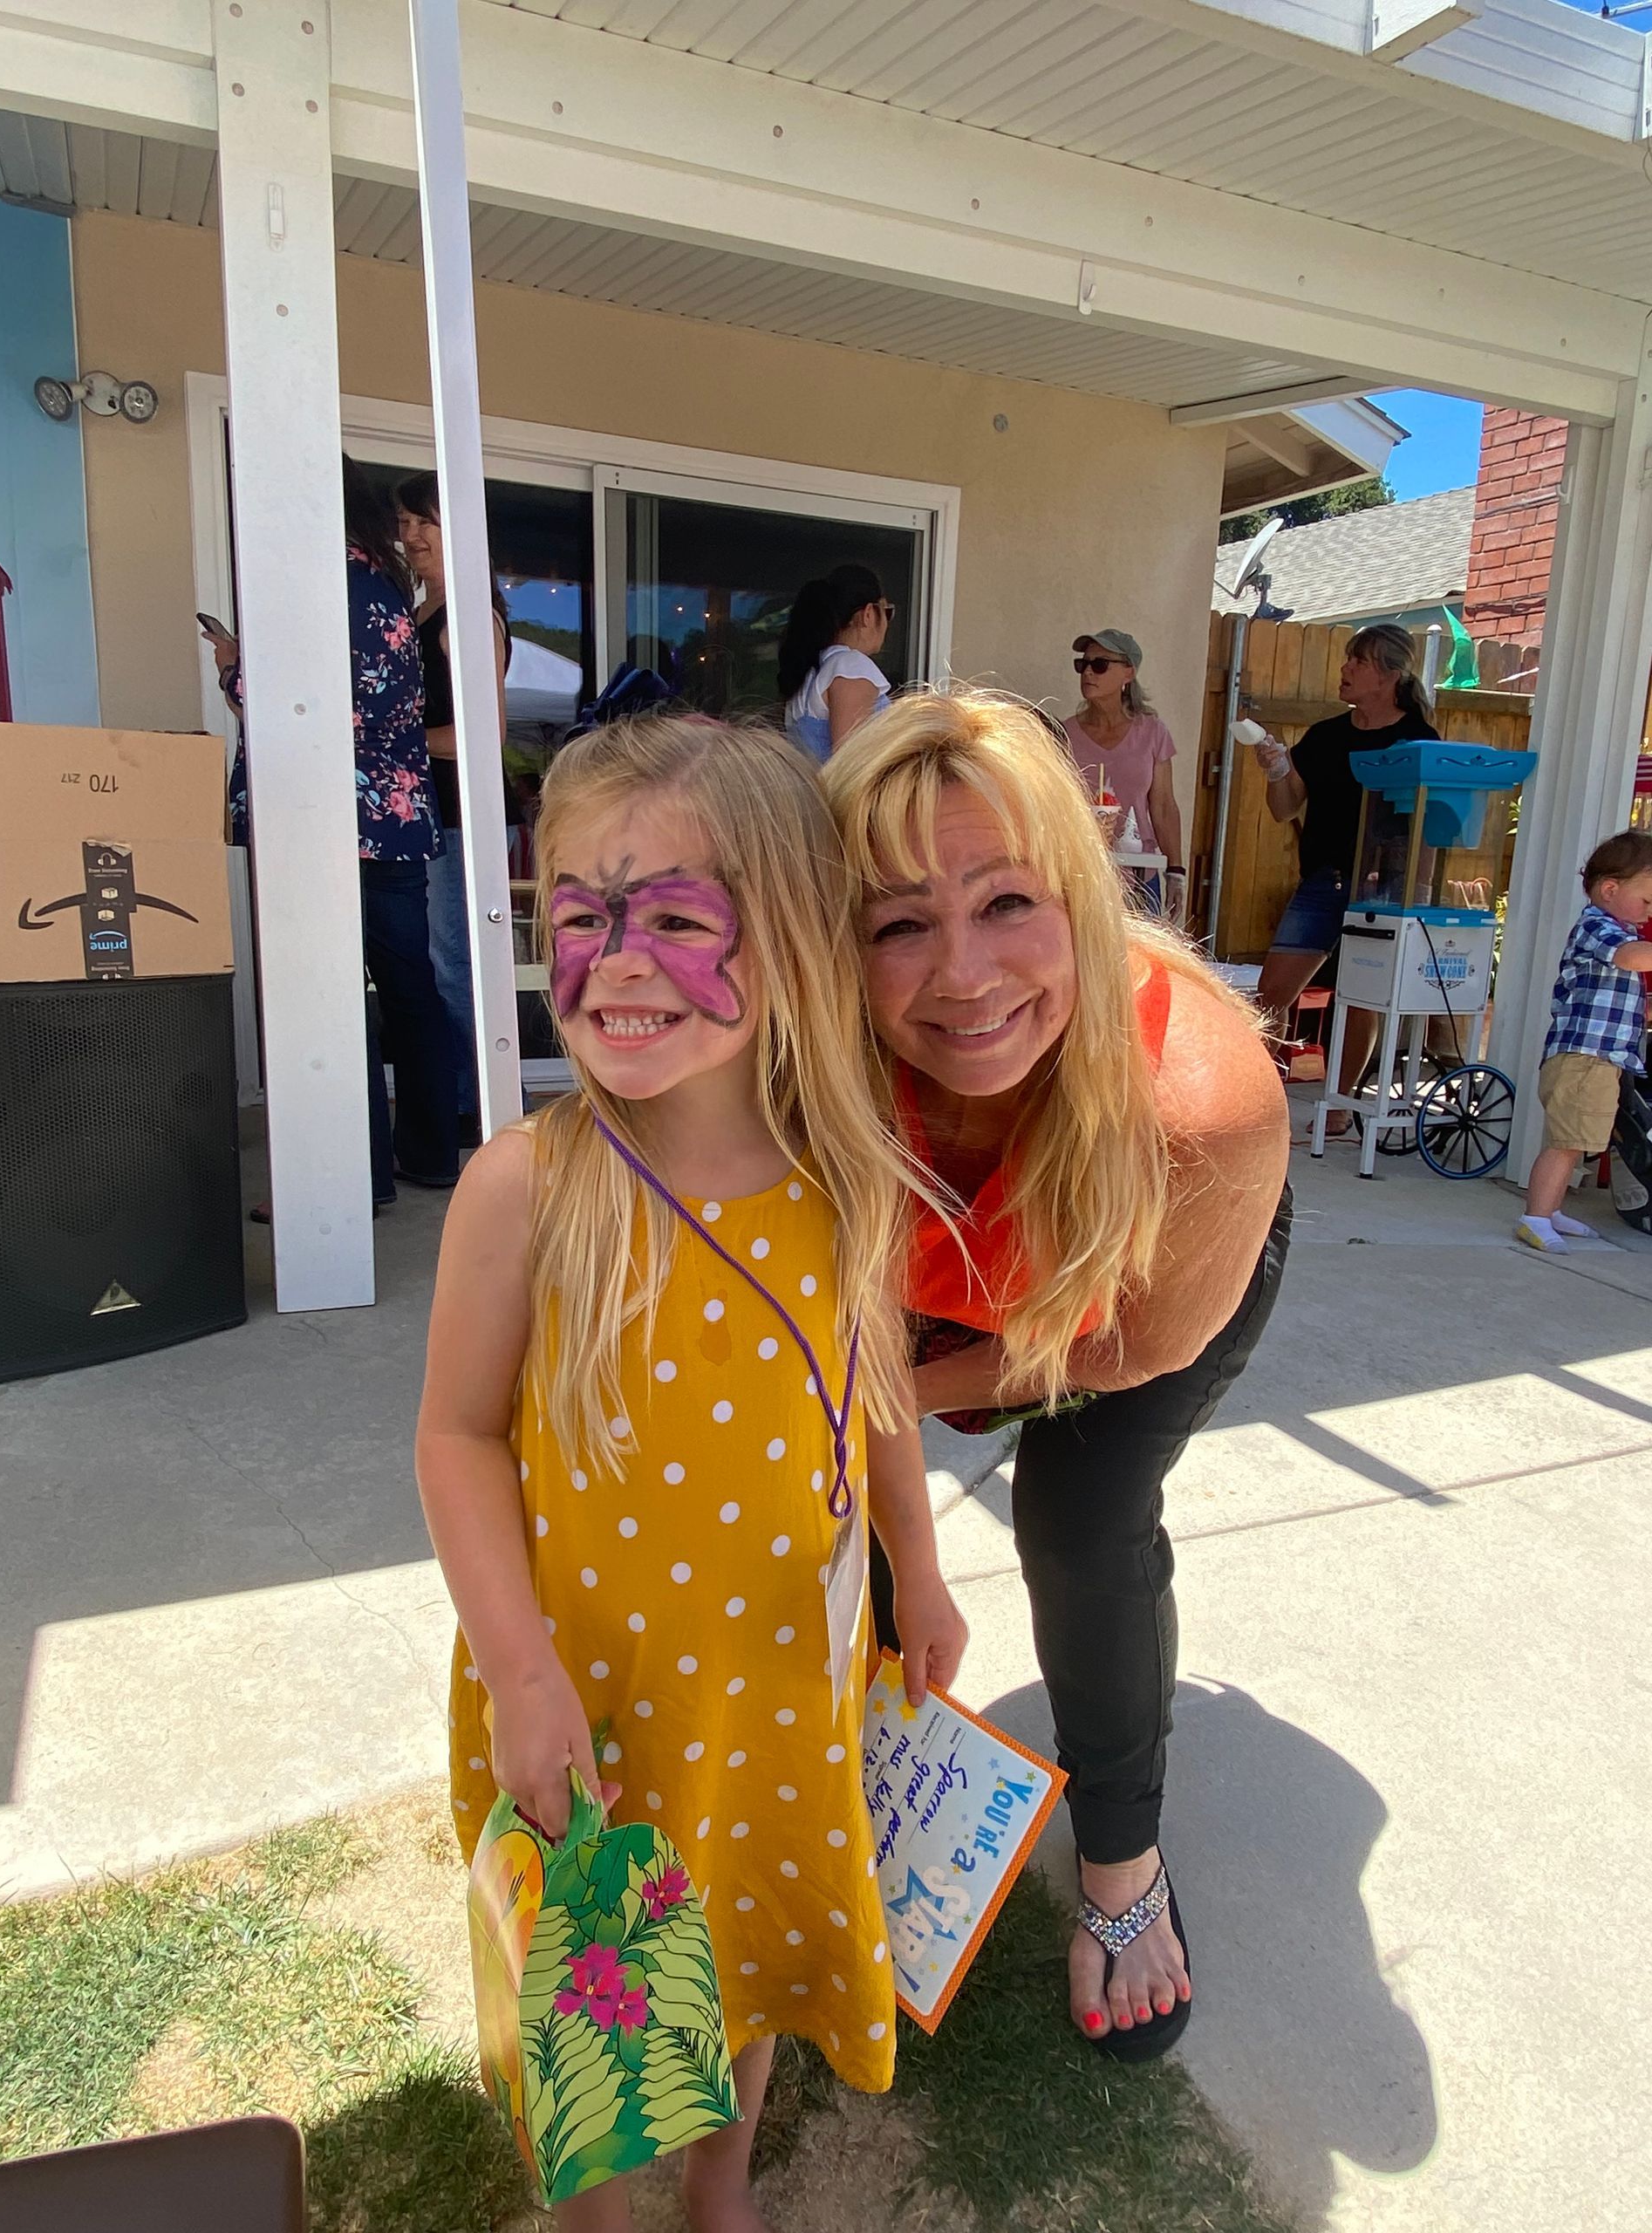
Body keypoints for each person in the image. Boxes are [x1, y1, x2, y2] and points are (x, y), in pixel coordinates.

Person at [416, 714, 967, 2231]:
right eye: (580, 916)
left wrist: (919, 1568)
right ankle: (607, 2212)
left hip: (786, 1685)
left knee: (745, 1952)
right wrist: (519, 1672)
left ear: (787, 938)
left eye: (673, 916)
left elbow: (878, 1398)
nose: (620, 961)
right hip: (585, 1696)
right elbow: (454, 1437)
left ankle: (722, 2186)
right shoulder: (525, 1189)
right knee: (604, 2001)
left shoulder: (841, 1177)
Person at [823, 692, 1290, 2061]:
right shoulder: (810, 1069)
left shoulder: (1205, 1100)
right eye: (898, 921)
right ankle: (857, 1784)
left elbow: (1138, 1343)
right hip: (942, 1280)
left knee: (1078, 1520)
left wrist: (896, 1389)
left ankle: (1125, 1871)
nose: (962, 976)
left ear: (1083, 898)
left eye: (1007, 902)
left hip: (1151, 1282)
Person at [205, 456, 458, 1211]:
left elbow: (298, 709)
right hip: (395, 818)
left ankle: (350, 1178)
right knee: (407, 988)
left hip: (328, 820)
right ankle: (430, 1153)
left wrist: (233, 669)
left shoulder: (318, 587)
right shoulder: (382, 588)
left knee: (330, 999)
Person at [1253, 624, 1438, 1132]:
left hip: (1383, 887)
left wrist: (1415, 892)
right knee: (1272, 993)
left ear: (1389, 675)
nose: (1345, 669)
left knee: (1360, 998)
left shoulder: (1417, 741)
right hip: (1323, 881)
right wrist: (1275, 769)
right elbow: (1283, 808)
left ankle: (1340, 1108)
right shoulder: (1326, 736)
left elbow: (1427, 827)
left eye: (1358, 662)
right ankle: (1258, 1103)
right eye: (1348, 660)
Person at [393, 472, 515, 1143]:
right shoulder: (423, 610)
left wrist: (393, 744)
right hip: (424, 815)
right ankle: (466, 1100)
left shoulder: (468, 614)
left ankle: (487, 1105)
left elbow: (482, 734)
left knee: (454, 964)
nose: (412, 535)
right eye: (406, 523)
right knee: (439, 963)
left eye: (426, 522)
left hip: (454, 813)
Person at [1517, 829, 1652, 1253]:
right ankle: (1535, 1217)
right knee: (1566, 1143)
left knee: (1572, 1140)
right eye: (1648, 900)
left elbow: (1624, 996)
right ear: (1610, 889)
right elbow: (1630, 957)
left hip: (1599, 1058)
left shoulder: (1619, 930)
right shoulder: (1598, 926)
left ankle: (1550, 1210)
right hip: (1583, 1058)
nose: (1650, 911)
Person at [1066, 628, 1184, 922]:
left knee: (1141, 964)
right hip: (1082, 873)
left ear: (1128, 673)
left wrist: (1176, 870)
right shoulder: (1066, 733)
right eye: (1083, 664)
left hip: (1139, 874)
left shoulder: (1152, 732)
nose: (1088, 673)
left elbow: (1164, 806)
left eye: (1100, 664)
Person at [777, 564, 894, 761]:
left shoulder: (812, 670)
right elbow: (852, 764)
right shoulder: (851, 667)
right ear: (868, 614)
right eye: (887, 612)